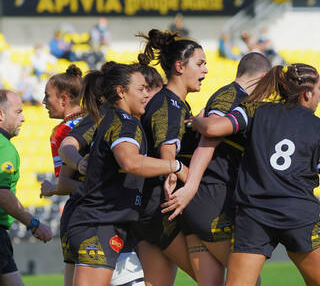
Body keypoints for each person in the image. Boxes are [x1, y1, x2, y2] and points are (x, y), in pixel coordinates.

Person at [185, 63, 320, 285]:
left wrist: (197, 120)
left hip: (254, 215)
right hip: (298, 214)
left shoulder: (256, 110)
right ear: (307, 93)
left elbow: (212, 129)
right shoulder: (316, 125)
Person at [64, 63, 187, 286]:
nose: (146, 94)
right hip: (99, 224)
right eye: (141, 89)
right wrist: (175, 166)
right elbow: (130, 162)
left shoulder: (120, 120)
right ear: (121, 92)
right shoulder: (124, 123)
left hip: (114, 225)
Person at [161, 52, 271, 285]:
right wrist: (190, 186)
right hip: (211, 199)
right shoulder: (232, 96)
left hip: (197, 205)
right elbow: (207, 140)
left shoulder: (233, 98)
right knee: (248, 280)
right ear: (263, 77)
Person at [132, 29, 210, 285]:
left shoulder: (176, 104)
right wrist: (193, 180)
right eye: (199, 64)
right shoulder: (169, 103)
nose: (205, 70)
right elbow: (168, 152)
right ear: (179, 66)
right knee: (212, 279)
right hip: (161, 208)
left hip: (147, 209)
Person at [0, 89, 52, 286]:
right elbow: (2, 192)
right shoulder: (4, 147)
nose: (23, 119)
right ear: (1, 114)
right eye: (18, 112)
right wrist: (34, 223)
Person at [41, 64, 84, 286]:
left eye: (47, 96)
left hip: (83, 213)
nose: (43, 102)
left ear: (64, 99)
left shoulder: (61, 132)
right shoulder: (97, 120)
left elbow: (67, 183)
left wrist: (52, 188)